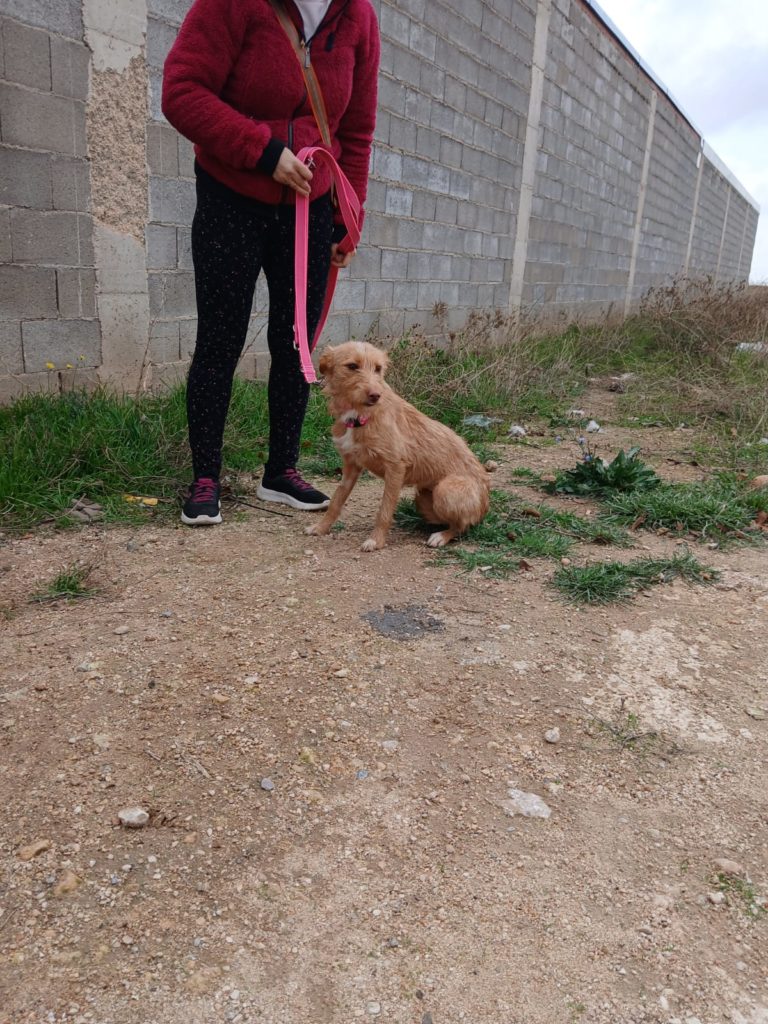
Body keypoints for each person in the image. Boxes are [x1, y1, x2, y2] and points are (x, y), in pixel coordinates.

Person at [162, 0, 380, 525]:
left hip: (308, 209)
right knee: (220, 339)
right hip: (230, 195)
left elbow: (356, 132)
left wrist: (347, 219)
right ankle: (206, 478)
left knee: (296, 344)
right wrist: (262, 150)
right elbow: (182, 93)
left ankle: (280, 471)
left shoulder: (359, 18)